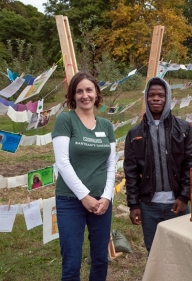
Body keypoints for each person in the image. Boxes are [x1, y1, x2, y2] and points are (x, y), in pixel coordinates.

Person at [52, 72, 116, 281]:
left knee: (100, 259)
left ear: (97, 93)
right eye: (79, 91)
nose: (85, 95)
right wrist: (84, 197)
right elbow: (62, 163)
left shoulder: (106, 126)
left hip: (101, 202)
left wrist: (106, 197)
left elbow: (111, 164)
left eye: (89, 90)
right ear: (73, 95)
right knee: (71, 261)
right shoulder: (65, 119)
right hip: (70, 200)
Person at [124, 77, 192, 253]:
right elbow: (131, 171)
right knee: (155, 252)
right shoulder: (135, 133)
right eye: (151, 95)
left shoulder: (184, 129)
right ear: (146, 98)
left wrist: (184, 196)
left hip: (177, 204)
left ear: (168, 97)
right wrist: (134, 205)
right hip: (149, 205)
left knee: (183, 251)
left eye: (160, 95)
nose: (156, 98)